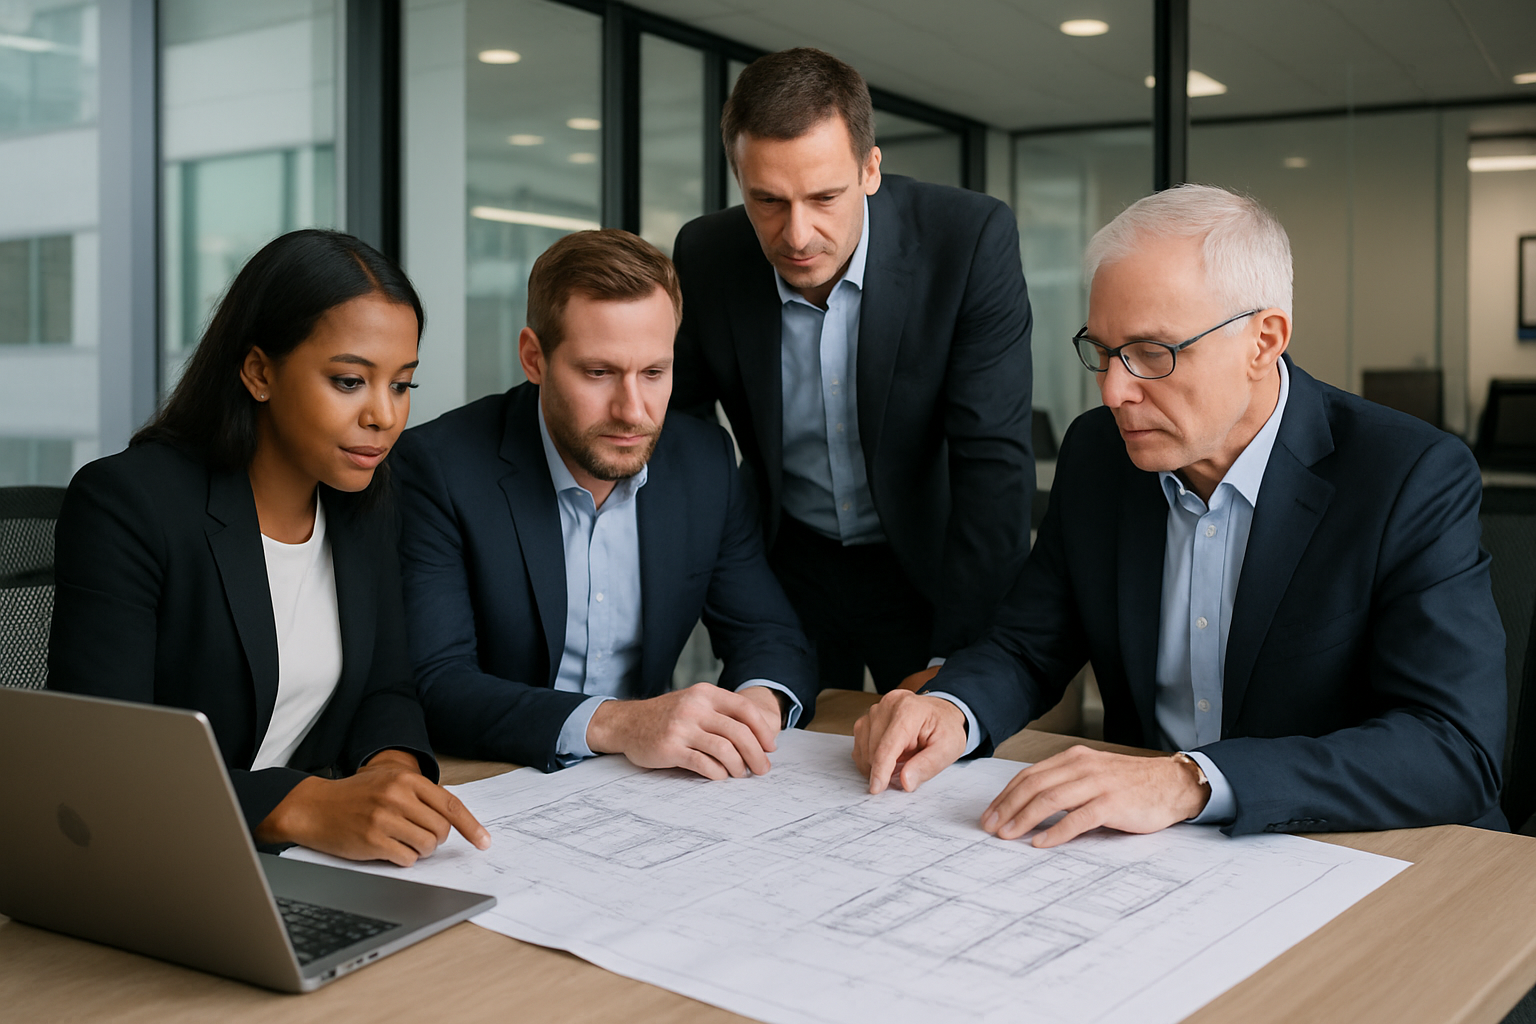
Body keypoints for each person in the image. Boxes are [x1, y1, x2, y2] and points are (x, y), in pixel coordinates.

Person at [853, 184, 1507, 843]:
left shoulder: (1407, 476)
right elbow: (1028, 645)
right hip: (1154, 856)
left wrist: (1189, 782)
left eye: (1152, 353)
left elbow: (1453, 747)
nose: (1114, 391)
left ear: (1264, 341)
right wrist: (952, 707)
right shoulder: (1099, 455)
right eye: (1104, 352)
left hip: (1359, 849)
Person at [49, 229, 490, 867]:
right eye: (349, 381)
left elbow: (386, 689)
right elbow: (103, 765)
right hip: (154, 862)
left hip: (305, 864)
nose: (385, 416)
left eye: (401, 385)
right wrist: (302, 806)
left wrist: (389, 775)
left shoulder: (363, 501)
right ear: (259, 372)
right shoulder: (128, 503)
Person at [670, 48, 1034, 694]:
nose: (797, 235)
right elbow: (681, 428)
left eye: (824, 197)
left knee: (933, 744)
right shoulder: (707, 254)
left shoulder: (969, 239)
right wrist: (726, 573)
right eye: (767, 200)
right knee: (776, 743)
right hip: (785, 562)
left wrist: (964, 661)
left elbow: (994, 465)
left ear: (870, 169)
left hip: (929, 563)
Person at [393, 229, 818, 778]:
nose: (632, 411)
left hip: (644, 783)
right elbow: (437, 682)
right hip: (496, 775)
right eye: (599, 373)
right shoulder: (439, 467)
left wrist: (754, 709)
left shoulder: (704, 463)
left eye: (654, 373)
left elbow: (768, 633)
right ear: (534, 358)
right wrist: (623, 724)